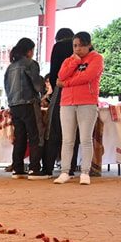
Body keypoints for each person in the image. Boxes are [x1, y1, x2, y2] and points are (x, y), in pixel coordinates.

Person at [54, 31, 104, 185]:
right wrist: (74, 62)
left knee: (85, 139)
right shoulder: (69, 60)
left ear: (89, 45)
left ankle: (85, 172)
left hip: (87, 102)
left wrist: (67, 83)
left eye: (81, 45)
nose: (78, 49)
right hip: (67, 103)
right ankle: (65, 171)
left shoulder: (97, 58)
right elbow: (61, 75)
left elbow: (87, 76)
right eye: (75, 45)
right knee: (67, 139)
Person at [4, 38, 50, 179]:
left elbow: (6, 87)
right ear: (29, 51)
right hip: (29, 103)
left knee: (20, 137)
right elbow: (36, 84)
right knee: (36, 135)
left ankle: (17, 169)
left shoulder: (10, 67)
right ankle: (35, 169)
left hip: (14, 105)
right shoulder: (31, 64)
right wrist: (44, 89)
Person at [41, 28, 75, 176]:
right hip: (80, 94)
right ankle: (71, 168)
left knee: (53, 130)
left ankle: (48, 168)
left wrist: (55, 89)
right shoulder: (86, 50)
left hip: (62, 91)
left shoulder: (58, 47)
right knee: (74, 133)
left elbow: (54, 72)